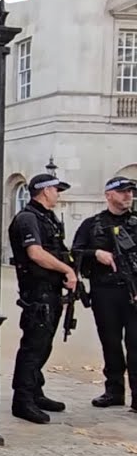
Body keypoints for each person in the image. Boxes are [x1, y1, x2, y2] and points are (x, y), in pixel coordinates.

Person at [7, 173, 75, 424]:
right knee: (33, 347)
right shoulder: (27, 218)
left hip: (50, 291)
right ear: (45, 191)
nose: (58, 194)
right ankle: (22, 400)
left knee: (43, 345)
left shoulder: (47, 218)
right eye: (56, 189)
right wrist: (67, 270)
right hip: (38, 293)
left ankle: (35, 391)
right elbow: (35, 253)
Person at [72, 175, 137, 410]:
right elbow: (75, 253)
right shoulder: (92, 224)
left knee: (135, 343)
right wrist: (95, 254)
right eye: (123, 191)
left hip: (133, 292)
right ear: (109, 195)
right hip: (105, 291)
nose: (128, 195)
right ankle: (114, 392)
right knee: (110, 342)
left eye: (131, 191)